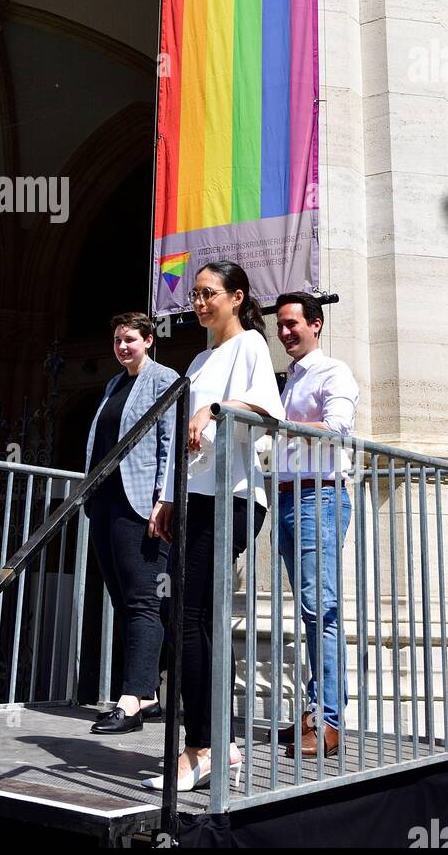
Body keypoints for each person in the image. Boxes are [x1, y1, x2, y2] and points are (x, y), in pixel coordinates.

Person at [146, 261, 284, 792]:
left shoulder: (248, 345)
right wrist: (166, 497)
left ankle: (202, 745)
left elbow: (266, 411)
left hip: (233, 495)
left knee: (186, 610)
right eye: (196, 294)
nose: (200, 302)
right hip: (196, 496)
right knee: (188, 613)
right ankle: (216, 745)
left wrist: (215, 407)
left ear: (236, 296)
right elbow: (180, 437)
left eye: (209, 293)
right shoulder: (201, 358)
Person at [84, 312, 178, 735]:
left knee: (143, 599)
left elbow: (168, 442)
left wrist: (163, 499)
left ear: (149, 340)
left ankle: (131, 700)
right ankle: (150, 696)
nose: (123, 346)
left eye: (131, 340)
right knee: (122, 599)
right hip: (105, 500)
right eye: (118, 340)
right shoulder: (113, 384)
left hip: (139, 503)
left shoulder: (163, 379)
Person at [274, 291, 359, 758]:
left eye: (293, 324)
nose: (286, 332)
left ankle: (327, 720)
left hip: (319, 496)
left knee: (319, 609)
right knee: (310, 610)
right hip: (291, 499)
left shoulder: (333, 372)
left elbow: (340, 427)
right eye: (282, 325)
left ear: (316, 324)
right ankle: (315, 711)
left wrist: (278, 425)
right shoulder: (291, 379)